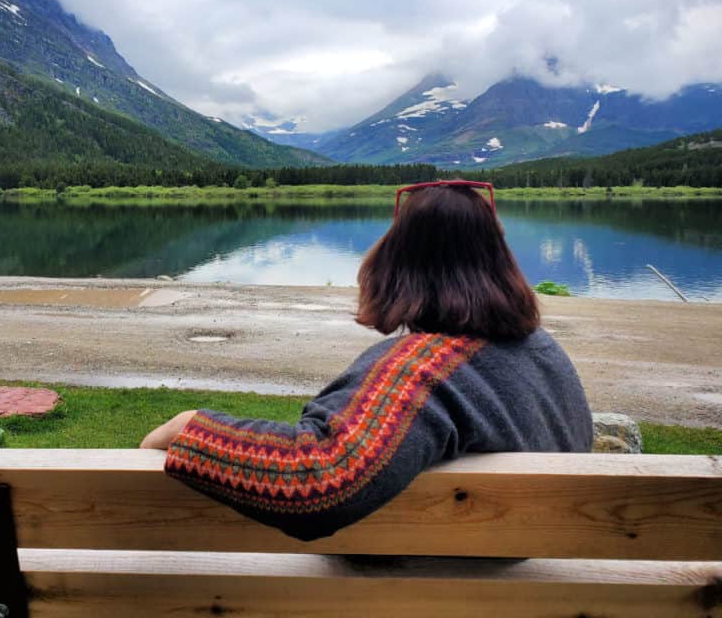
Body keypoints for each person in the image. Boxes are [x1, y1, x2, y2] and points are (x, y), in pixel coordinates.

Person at [140, 180, 593, 542]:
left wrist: (190, 428)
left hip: (421, 597)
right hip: (518, 577)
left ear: (400, 263)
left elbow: (315, 481)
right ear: (499, 260)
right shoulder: (544, 351)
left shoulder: (425, 368)